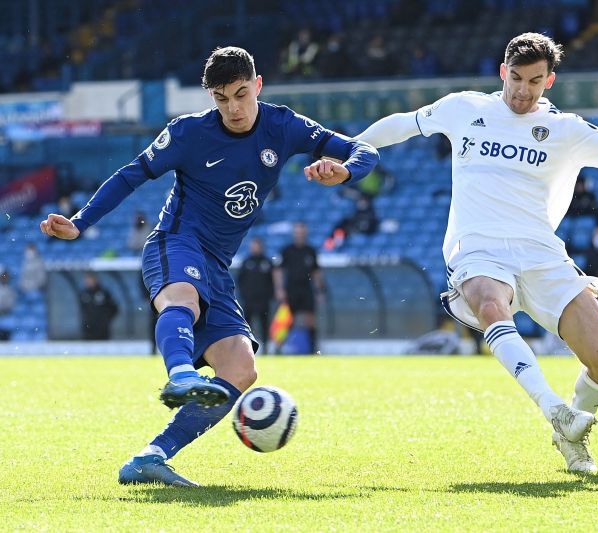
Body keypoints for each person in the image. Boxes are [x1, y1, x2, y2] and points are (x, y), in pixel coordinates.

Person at [352, 32, 598, 474]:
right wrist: (347, 150)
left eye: (534, 80)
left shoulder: (567, 130)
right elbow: (402, 124)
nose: (522, 90)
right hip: (479, 246)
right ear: (502, 71)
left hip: (541, 252)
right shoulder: (465, 108)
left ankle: (569, 436)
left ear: (550, 81)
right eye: (516, 78)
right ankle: (554, 409)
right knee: (491, 304)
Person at [39, 46, 378, 487]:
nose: (233, 108)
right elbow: (130, 175)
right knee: (185, 298)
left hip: (217, 265)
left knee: (241, 369)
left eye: (241, 94)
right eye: (221, 98)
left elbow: (364, 151)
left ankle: (152, 456)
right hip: (175, 242)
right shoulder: (188, 133)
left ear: (257, 85)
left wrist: (346, 171)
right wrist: (81, 223)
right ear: (210, 97)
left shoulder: (284, 126)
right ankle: (180, 373)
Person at [274, 222, 325, 354]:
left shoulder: (310, 251)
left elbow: (316, 272)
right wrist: (279, 289)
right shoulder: (287, 250)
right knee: (285, 321)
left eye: (302, 232)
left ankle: (313, 349)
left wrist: (319, 291)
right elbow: (278, 270)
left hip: (306, 289)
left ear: (305, 233)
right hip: (291, 289)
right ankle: (278, 348)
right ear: (294, 234)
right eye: (297, 232)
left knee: (310, 319)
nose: (299, 235)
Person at [237, 237, 279, 350]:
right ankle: (247, 348)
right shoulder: (246, 262)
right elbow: (240, 280)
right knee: (247, 325)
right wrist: (244, 295)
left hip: (263, 300)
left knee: (264, 324)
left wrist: (271, 295)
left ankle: (265, 348)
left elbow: (273, 280)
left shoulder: (267, 262)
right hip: (249, 300)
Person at [78, 272, 118, 340]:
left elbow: (114, 309)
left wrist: (105, 320)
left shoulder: (104, 293)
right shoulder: (83, 294)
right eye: (86, 279)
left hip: (102, 330)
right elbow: (82, 310)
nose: (88, 281)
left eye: (90, 279)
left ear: (95, 279)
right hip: (88, 329)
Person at [0, 268, 16, 341]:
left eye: (6, 277)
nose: (5, 278)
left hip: (6, 316)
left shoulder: (11, 290)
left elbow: (10, 305)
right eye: (3, 276)